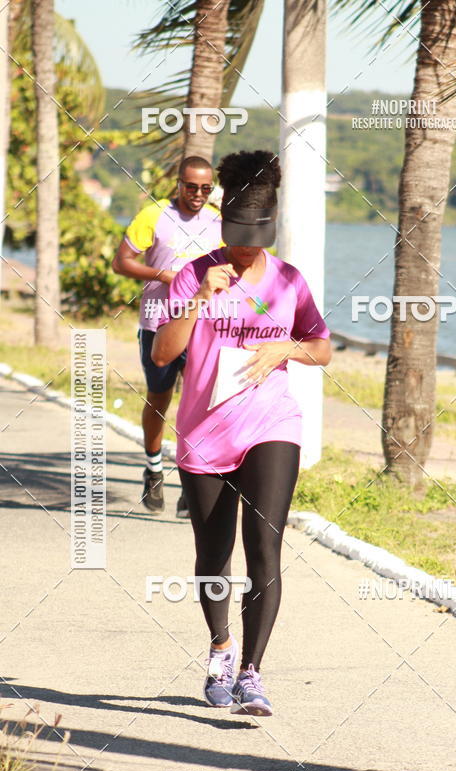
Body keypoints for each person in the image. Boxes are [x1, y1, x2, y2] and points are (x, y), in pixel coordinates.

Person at [151, 150, 332, 715]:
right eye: (236, 234)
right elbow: (163, 352)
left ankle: (252, 672)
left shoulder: (288, 281)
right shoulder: (192, 273)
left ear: (269, 228)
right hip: (203, 430)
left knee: (265, 548)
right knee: (213, 555)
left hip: (269, 422)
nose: (244, 247)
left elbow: (322, 348)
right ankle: (222, 648)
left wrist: (286, 347)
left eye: (254, 237)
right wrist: (200, 299)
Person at [112, 156, 222, 517]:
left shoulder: (218, 219)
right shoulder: (155, 215)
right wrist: (164, 276)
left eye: (205, 188)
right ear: (178, 184)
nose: (198, 194)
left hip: (201, 326)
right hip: (158, 323)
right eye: (191, 187)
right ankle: (154, 468)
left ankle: (190, 480)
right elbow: (122, 261)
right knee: (159, 399)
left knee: (198, 402)